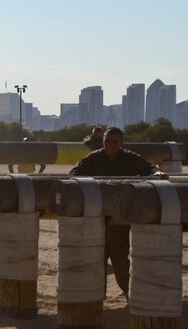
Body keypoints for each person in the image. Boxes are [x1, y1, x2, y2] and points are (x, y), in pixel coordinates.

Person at [69, 127, 167, 297]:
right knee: (97, 259)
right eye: (107, 141)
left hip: (120, 217)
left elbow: (150, 168)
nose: (110, 145)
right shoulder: (94, 157)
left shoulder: (130, 158)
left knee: (120, 259)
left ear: (122, 143)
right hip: (97, 216)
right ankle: (98, 294)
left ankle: (130, 293)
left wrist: (157, 172)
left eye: (114, 142)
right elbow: (74, 173)